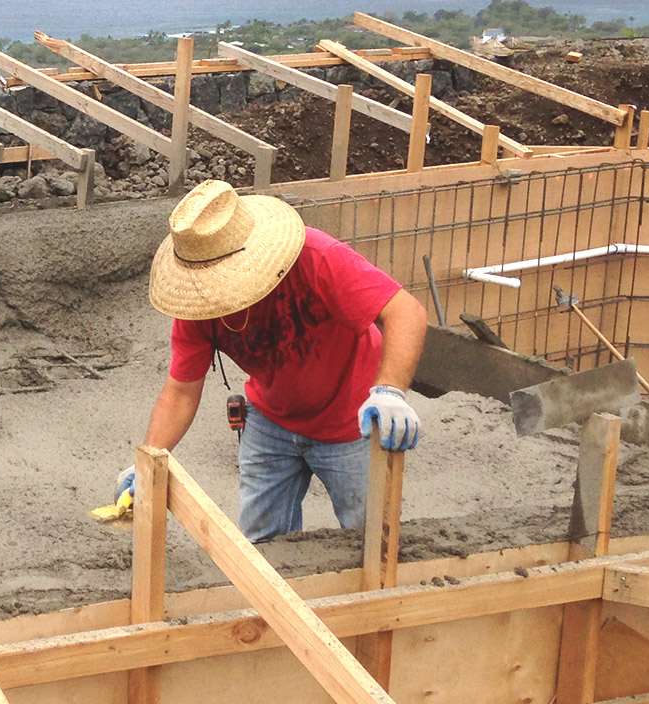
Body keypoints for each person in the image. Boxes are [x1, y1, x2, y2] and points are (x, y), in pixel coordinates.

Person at [118, 180, 427, 543]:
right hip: (270, 423)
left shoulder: (315, 257)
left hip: (351, 422)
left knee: (373, 539)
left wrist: (389, 392)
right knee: (260, 547)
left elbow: (406, 311)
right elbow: (181, 392)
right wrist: (148, 461)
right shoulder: (197, 306)